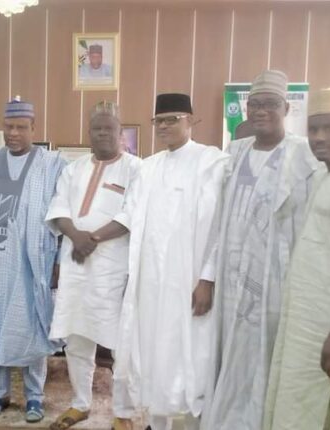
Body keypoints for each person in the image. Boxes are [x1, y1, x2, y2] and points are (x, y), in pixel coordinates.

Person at [201, 70, 318, 430]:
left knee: (266, 352)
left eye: (270, 104)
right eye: (254, 104)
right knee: (230, 352)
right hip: (230, 278)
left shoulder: (304, 155)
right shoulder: (235, 153)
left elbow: (311, 223)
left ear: (286, 108)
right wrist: (207, 277)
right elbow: (218, 221)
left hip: (276, 279)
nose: (261, 110)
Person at [112, 94, 229, 430]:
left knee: (192, 354)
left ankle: (192, 423)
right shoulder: (148, 167)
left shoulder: (212, 162)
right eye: (158, 121)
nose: (163, 126)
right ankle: (156, 420)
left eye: (172, 119)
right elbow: (133, 220)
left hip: (190, 279)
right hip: (151, 279)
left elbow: (219, 226)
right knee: (152, 351)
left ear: (191, 120)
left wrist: (207, 278)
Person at [263, 89, 330, 430]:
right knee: (298, 404)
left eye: (329, 128)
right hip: (306, 320)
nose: (319, 137)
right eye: (313, 128)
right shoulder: (323, 176)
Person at [0, 97, 66, 424]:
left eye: (21, 127)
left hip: (31, 262)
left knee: (31, 328)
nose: (13, 133)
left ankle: (35, 396)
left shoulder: (52, 164)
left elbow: (63, 214)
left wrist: (57, 262)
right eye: (8, 127)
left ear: (34, 128)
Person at [45, 102, 141, 430]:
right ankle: (80, 404)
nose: (102, 133)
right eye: (96, 128)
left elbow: (132, 214)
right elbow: (59, 207)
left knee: (119, 343)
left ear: (120, 132)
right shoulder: (73, 169)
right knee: (76, 337)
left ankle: (123, 412)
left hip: (113, 267)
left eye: (108, 128)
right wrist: (76, 236)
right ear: (89, 132)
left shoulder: (135, 169)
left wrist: (93, 238)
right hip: (75, 263)